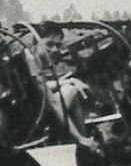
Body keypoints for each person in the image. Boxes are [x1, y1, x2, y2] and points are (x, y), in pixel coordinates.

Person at [25, 22, 99, 151]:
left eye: (58, 46)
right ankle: (81, 141)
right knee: (71, 91)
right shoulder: (30, 59)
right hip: (35, 115)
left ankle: (78, 142)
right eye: (49, 44)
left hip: (35, 107)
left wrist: (69, 80)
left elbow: (41, 85)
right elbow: (52, 101)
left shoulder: (31, 56)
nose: (54, 49)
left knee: (70, 87)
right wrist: (78, 137)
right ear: (36, 41)